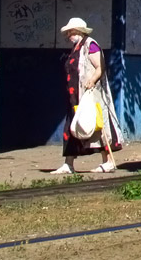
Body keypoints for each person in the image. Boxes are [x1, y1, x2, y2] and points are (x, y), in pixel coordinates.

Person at [53, 17, 123, 174]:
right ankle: (68, 163)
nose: (68, 35)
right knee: (72, 125)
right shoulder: (76, 47)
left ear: (78, 31)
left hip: (91, 95)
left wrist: (91, 81)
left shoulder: (90, 45)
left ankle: (108, 161)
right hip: (75, 95)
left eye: (70, 32)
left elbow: (100, 66)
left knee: (98, 125)